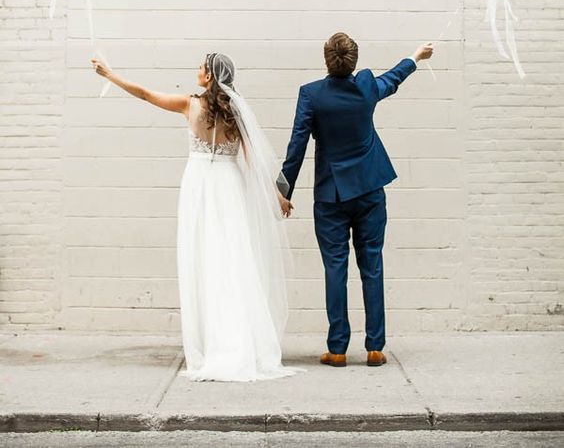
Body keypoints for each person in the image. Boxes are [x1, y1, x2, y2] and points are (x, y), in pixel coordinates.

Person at [91, 51, 299, 382]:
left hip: (200, 184)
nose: (197, 71)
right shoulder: (235, 112)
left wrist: (110, 75)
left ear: (209, 77)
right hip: (228, 185)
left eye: (201, 68)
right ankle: (240, 340)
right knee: (233, 260)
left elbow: (145, 94)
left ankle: (215, 342)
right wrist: (277, 197)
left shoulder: (190, 105)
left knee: (204, 260)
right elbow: (254, 162)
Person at [280, 33, 434, 368]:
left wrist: (284, 189)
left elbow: (297, 145)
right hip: (369, 189)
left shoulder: (311, 95)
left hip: (331, 195)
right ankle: (375, 347)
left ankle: (337, 349)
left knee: (336, 268)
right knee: (372, 265)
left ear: (326, 60)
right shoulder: (365, 86)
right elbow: (392, 80)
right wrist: (415, 57)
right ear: (354, 60)